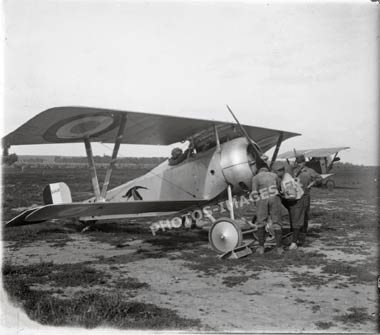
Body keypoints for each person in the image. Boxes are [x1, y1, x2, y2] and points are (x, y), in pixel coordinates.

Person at [287, 154, 322, 250]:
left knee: (303, 215)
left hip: (304, 196)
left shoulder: (309, 171)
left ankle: (301, 237)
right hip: (292, 197)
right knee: (293, 216)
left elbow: (319, 178)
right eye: (297, 162)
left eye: (301, 162)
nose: (299, 164)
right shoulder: (292, 170)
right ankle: (293, 236)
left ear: (304, 162)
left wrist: (313, 183)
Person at [251, 166, 283, 255]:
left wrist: (256, 203)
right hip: (274, 197)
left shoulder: (255, 177)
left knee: (261, 222)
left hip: (262, 198)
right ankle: (279, 248)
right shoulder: (274, 175)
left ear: (259, 171)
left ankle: (261, 248)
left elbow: (254, 193)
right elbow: (280, 188)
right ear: (267, 170)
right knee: (277, 222)